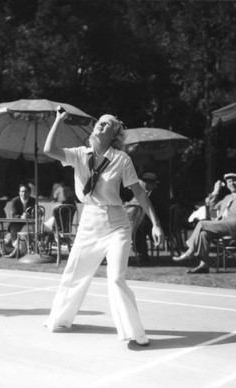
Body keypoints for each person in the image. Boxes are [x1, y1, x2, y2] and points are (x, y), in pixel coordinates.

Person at [43, 110, 163, 346]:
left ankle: (133, 333)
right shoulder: (79, 154)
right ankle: (59, 319)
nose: (101, 125)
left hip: (117, 224)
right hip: (89, 222)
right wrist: (58, 120)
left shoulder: (121, 159)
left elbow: (139, 193)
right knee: (74, 272)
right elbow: (49, 150)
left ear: (114, 134)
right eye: (100, 122)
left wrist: (156, 224)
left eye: (107, 124)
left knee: (116, 277)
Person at [173, 173, 236, 274]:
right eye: (229, 181)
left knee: (202, 224)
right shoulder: (227, 197)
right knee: (204, 234)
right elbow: (212, 207)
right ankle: (204, 265)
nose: (232, 183)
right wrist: (216, 191)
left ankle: (190, 251)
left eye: (235, 181)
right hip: (224, 225)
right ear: (226, 184)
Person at [6, 184, 35, 258]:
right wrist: (21, 216)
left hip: (29, 223)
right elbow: (14, 214)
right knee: (14, 226)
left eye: (25, 192)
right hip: (17, 223)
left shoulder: (33, 201)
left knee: (29, 228)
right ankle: (16, 247)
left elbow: (37, 213)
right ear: (19, 192)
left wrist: (30, 216)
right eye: (22, 191)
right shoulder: (15, 201)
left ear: (29, 193)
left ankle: (20, 249)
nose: (24, 194)